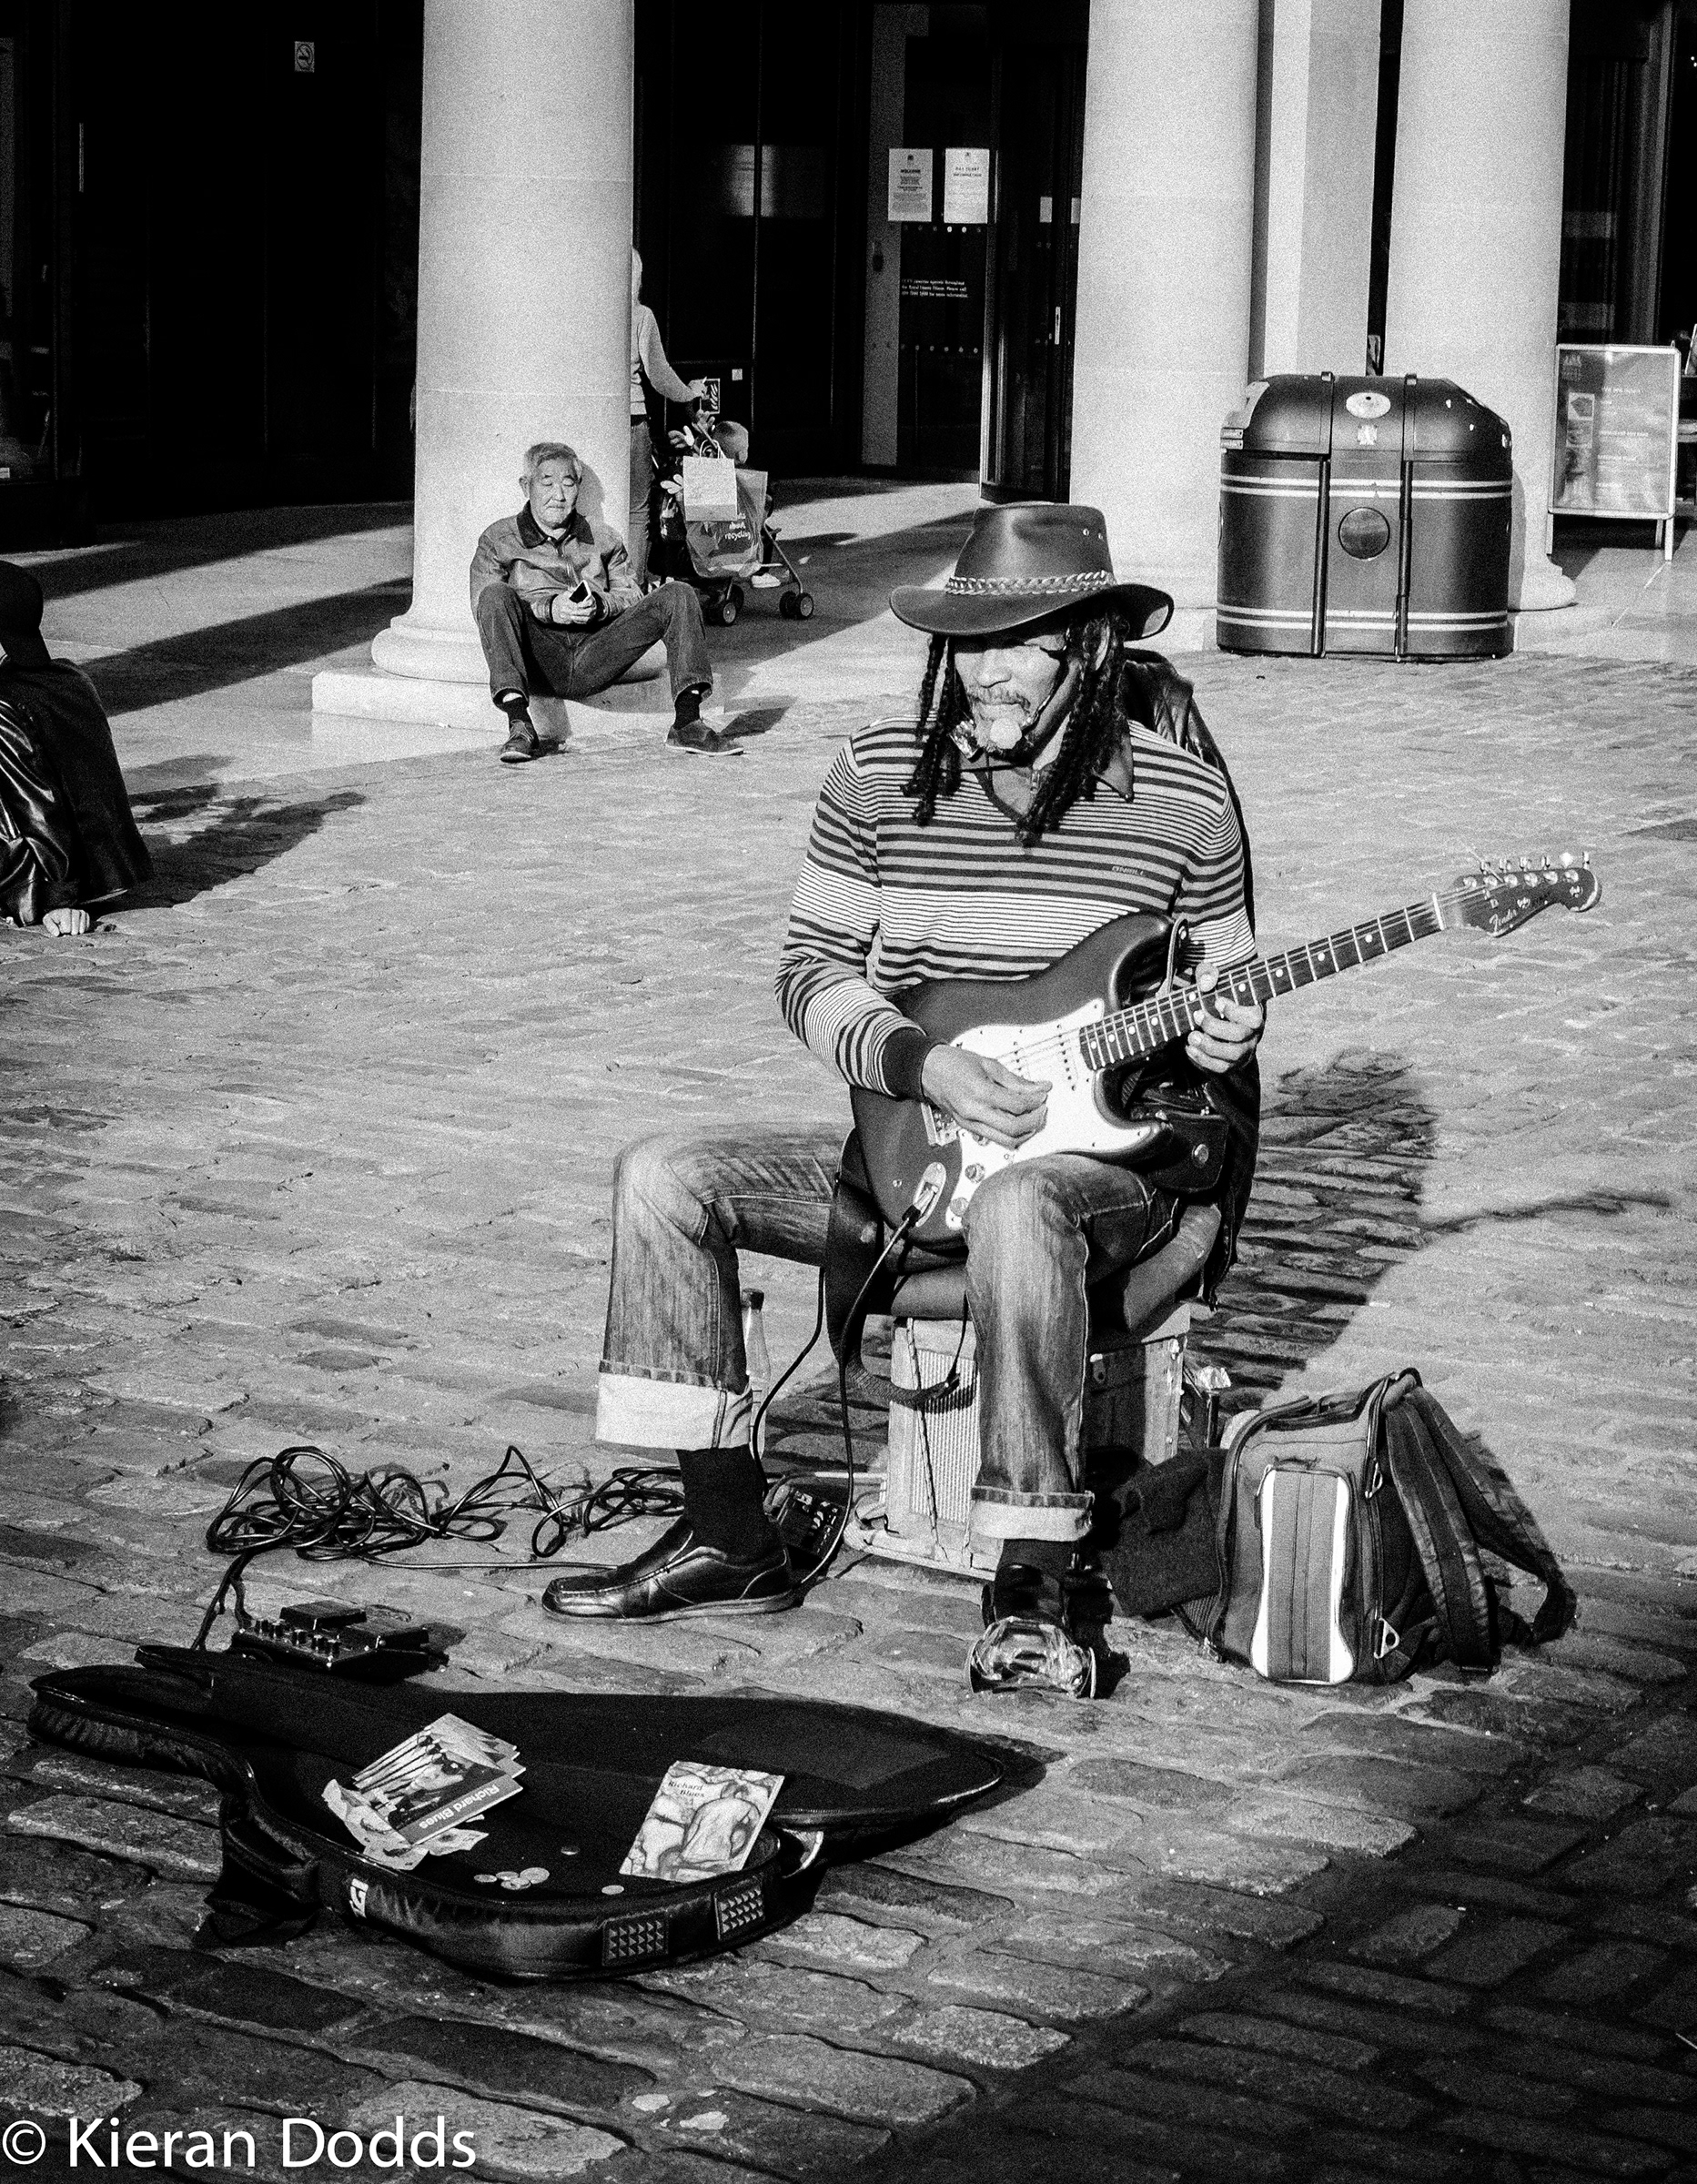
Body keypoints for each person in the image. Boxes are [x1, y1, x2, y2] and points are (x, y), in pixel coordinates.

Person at [542, 503, 1267, 1696]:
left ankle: (1030, 1582)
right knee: (665, 1174)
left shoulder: (1183, 801)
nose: (980, 670)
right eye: (965, 645)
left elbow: (1232, 987)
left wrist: (1235, 1019)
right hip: (912, 1141)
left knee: (1025, 1201)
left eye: (1016, 644)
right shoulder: (876, 778)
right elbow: (809, 974)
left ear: (1088, 650)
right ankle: (729, 1533)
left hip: (1106, 1169)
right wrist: (918, 1065)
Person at [470, 440, 732, 763]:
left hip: (598, 651)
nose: (559, 495)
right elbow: (483, 606)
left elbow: (632, 595)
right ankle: (520, 725)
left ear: (578, 488)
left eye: (568, 483)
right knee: (495, 595)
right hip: (541, 657)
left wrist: (601, 605)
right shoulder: (498, 539)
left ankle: (688, 722)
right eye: (547, 483)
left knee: (678, 594)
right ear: (526, 487)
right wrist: (549, 608)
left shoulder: (604, 537)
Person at [0, 561, 151, 935]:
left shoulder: (1, 706)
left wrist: (54, 901)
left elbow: (36, 803)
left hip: (43, 878)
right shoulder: (71, 679)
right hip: (108, 873)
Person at [630, 248, 710, 590]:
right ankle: (629, 589)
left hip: (591, 421)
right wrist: (689, 394)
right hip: (631, 421)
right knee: (636, 511)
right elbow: (658, 374)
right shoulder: (640, 315)